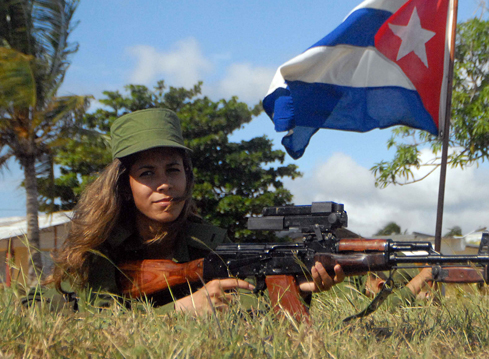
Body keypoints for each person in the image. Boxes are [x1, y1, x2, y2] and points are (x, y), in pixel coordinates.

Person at [32, 108, 344, 316]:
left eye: (173, 170)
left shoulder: (209, 242)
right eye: (147, 174)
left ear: (187, 176)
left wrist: (296, 286)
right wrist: (182, 309)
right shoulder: (98, 247)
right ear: (125, 186)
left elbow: (252, 308)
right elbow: (87, 319)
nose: (164, 184)